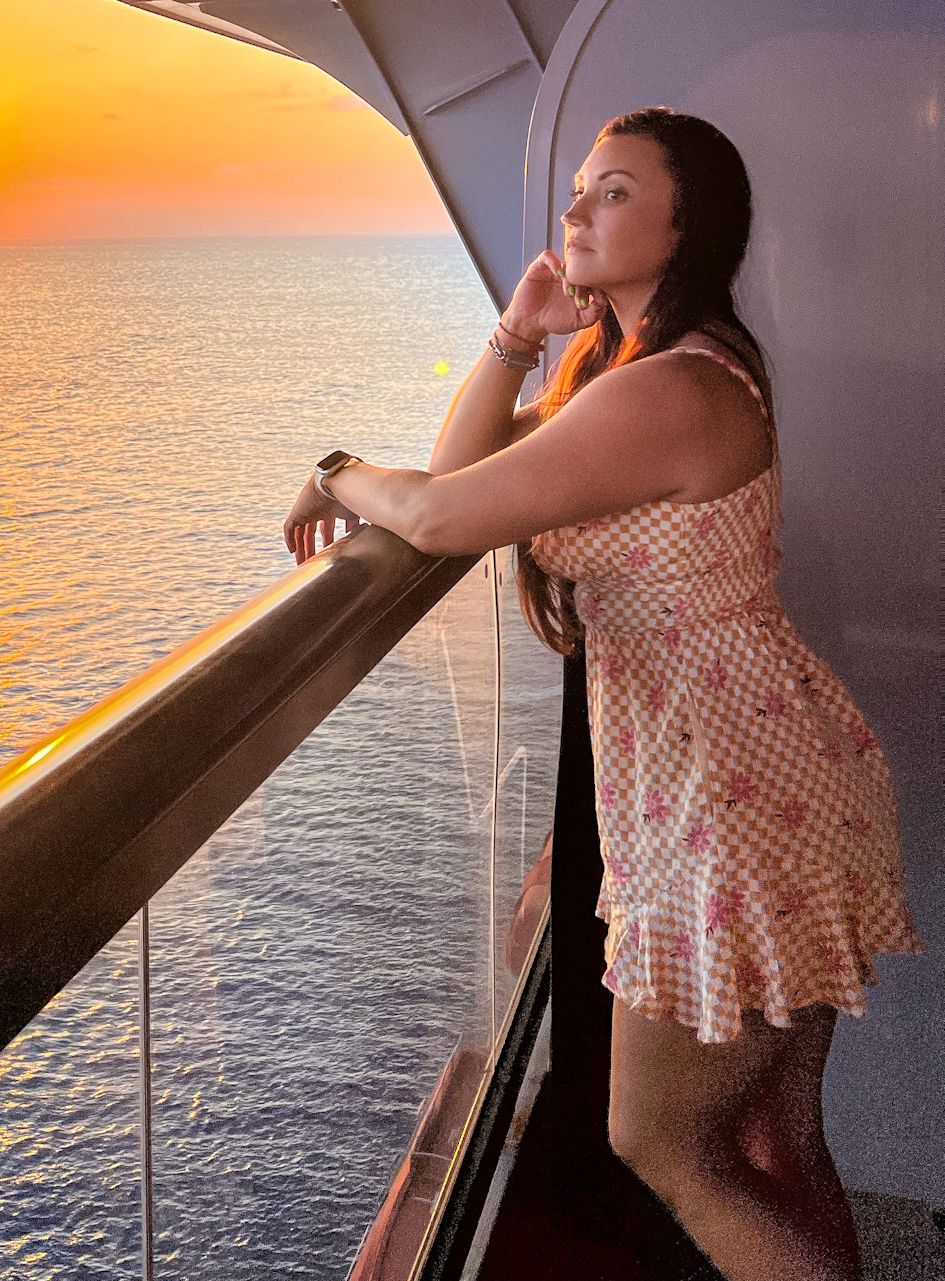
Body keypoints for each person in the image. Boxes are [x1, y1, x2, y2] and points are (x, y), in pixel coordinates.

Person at [283, 107, 922, 1281]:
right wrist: (519, 332)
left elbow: (431, 512)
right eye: (579, 188)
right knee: (776, 1136)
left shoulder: (664, 389)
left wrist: (332, 469)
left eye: (614, 191)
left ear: (688, 225)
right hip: (760, 769)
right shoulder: (638, 374)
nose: (575, 210)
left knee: (663, 1140)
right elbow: (465, 472)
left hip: (730, 796)